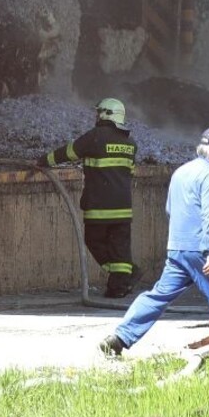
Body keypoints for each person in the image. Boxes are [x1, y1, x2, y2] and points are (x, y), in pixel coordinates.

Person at [99, 126, 209, 360]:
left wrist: (182, 241)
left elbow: (171, 209)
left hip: (178, 249)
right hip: (204, 251)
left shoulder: (182, 171)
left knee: (158, 295)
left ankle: (120, 337)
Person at [36, 98, 139, 298]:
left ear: (106, 114)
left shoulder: (95, 137)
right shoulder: (130, 143)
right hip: (123, 207)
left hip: (100, 206)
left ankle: (126, 276)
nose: (96, 116)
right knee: (120, 248)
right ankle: (119, 284)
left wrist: (43, 161)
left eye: (99, 112)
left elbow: (68, 152)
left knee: (94, 241)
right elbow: (130, 172)